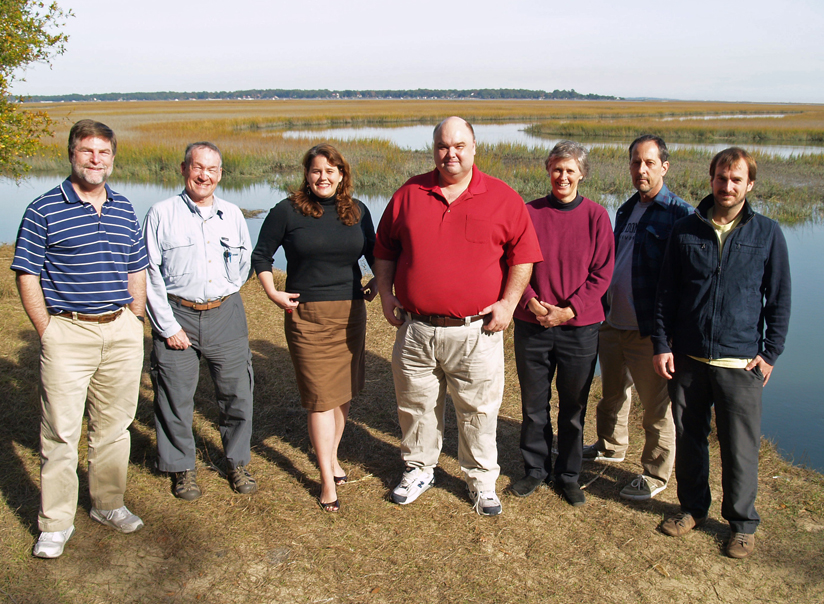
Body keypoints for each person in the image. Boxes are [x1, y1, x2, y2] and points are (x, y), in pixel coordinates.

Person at [374, 116, 543, 516]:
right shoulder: (409, 193)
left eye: (459, 146)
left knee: (479, 411)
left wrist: (507, 303)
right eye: (443, 146)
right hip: (416, 329)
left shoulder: (503, 198)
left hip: (476, 331)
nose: (451, 154)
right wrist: (384, 293)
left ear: (473, 148)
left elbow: (524, 257)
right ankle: (419, 468)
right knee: (416, 405)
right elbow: (384, 249)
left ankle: (481, 480)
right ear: (434, 149)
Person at [11, 119, 148, 558]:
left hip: (121, 329)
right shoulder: (43, 209)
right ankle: (55, 523)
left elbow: (137, 267)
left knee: (114, 427)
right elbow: (27, 274)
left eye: (103, 152)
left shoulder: (125, 207)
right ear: (71, 154)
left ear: (113, 157)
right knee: (61, 432)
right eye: (87, 151)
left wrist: (135, 318)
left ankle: (107, 504)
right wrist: (47, 330)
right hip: (67, 331)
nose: (95, 160)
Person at [652, 147, 791, 559]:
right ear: (710, 179)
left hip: (740, 363)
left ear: (749, 184)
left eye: (736, 179)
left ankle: (742, 524)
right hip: (689, 360)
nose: (727, 186)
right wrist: (662, 344)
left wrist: (771, 353)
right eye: (720, 178)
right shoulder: (685, 230)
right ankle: (692, 508)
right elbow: (666, 295)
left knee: (739, 447)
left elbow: (778, 299)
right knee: (690, 439)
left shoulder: (767, 233)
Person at [251, 143, 376, 512]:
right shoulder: (287, 211)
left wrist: (379, 283)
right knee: (321, 398)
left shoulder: (357, 210)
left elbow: (375, 252)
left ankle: (333, 457)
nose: (324, 177)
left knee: (342, 392)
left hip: (350, 312)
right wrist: (273, 291)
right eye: (316, 170)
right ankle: (326, 480)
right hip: (307, 317)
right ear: (307, 175)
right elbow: (262, 254)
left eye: (331, 170)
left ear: (342, 175)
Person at [144, 142, 257, 500]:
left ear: (220, 174)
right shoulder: (161, 214)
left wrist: (221, 293)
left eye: (212, 169)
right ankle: (182, 468)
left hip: (226, 314)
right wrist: (168, 326)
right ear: (184, 169)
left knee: (237, 394)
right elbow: (149, 274)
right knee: (175, 398)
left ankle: (237, 462)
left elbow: (242, 265)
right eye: (197, 167)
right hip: (177, 315)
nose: (204, 175)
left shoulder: (233, 214)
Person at [583, 135, 693, 501]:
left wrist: (672, 335)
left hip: (650, 331)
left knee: (657, 408)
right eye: (635, 162)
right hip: (613, 322)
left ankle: (655, 473)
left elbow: (686, 280)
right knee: (612, 394)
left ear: (664, 166)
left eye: (648, 163)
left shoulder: (681, 215)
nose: (640, 170)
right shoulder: (627, 209)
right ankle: (611, 445)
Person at [509, 141, 614, 506]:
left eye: (570, 170)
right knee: (534, 405)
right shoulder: (529, 212)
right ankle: (536, 469)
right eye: (557, 169)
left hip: (579, 328)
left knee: (573, 406)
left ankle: (569, 475)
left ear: (582, 174)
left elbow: (602, 274)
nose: (563, 176)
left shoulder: (597, 217)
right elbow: (514, 261)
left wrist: (568, 310)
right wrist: (531, 302)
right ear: (548, 171)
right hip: (532, 324)